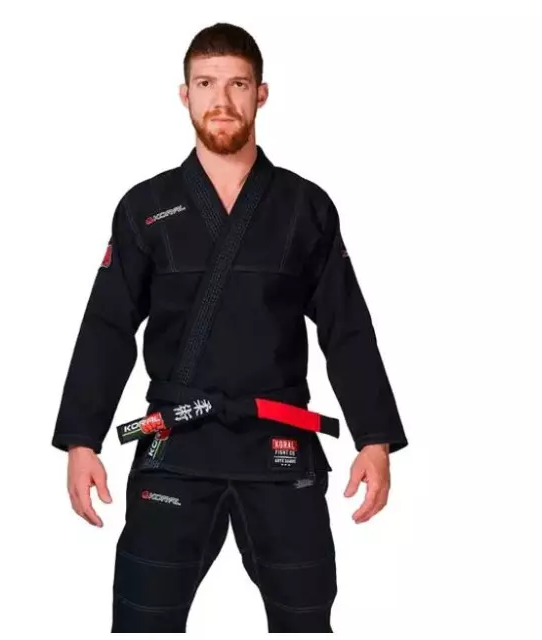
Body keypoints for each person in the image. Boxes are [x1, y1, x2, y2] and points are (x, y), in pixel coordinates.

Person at [51, 22, 409, 633]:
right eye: (206, 83)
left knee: (305, 623)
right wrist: (81, 440)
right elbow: (107, 327)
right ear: (184, 94)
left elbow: (347, 327)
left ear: (261, 95)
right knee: (142, 621)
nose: (222, 100)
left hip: (280, 446)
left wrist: (374, 438)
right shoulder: (145, 207)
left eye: (238, 84)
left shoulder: (305, 207)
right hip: (174, 444)